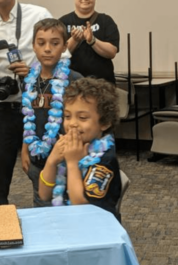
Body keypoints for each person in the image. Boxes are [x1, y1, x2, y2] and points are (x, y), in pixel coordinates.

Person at [0, 0, 52, 206]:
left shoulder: (38, 15)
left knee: (43, 170)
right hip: (1, 109)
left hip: (37, 106)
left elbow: (61, 58)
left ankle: (48, 216)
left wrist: (33, 73)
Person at [38, 77, 122, 219]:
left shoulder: (104, 159)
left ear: (105, 122)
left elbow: (83, 209)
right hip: (69, 223)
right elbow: (44, 194)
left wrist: (72, 163)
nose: (72, 124)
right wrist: (52, 161)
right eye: (67, 116)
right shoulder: (71, 146)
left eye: (82, 118)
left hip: (98, 231)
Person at [21, 18, 82, 207]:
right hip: (37, 161)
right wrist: (24, 149)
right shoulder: (29, 81)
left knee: (68, 211)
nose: (47, 49)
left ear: (64, 46)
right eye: (41, 43)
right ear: (33, 46)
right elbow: (28, 118)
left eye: (55, 43)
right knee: (42, 209)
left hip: (66, 163)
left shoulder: (74, 80)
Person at [59, 0, 119, 84]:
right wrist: (74, 39)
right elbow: (58, 54)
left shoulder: (106, 21)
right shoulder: (63, 22)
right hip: (71, 85)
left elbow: (112, 52)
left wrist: (92, 40)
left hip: (103, 85)